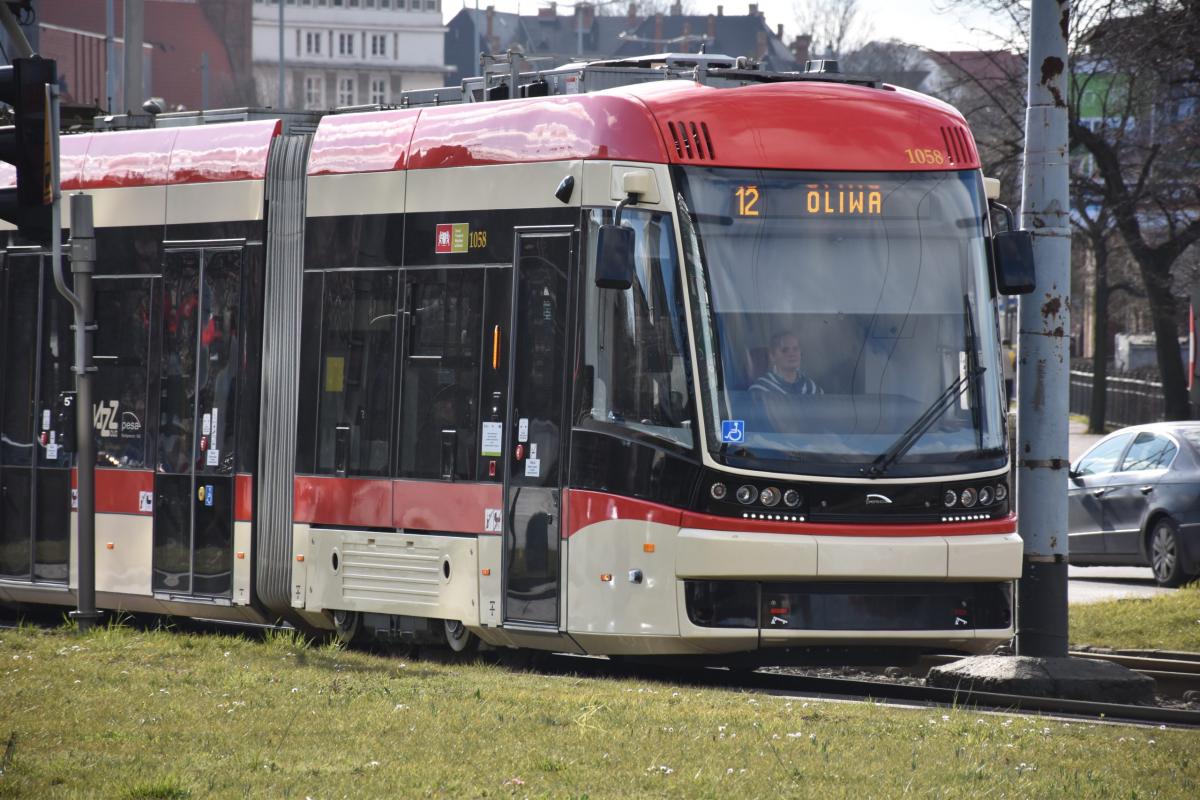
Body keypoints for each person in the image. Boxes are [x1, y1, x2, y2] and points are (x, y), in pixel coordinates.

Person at [750, 331, 823, 397]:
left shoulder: (811, 388)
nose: (792, 354)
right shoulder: (759, 390)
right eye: (785, 350)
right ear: (772, 356)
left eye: (795, 349)